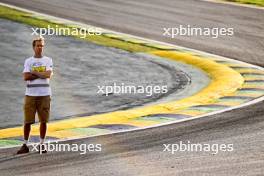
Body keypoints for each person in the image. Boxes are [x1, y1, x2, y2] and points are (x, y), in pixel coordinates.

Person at [17, 36, 53, 154]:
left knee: (44, 121)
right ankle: (25, 145)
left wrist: (34, 72)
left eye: (42, 46)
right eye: (38, 45)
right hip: (30, 95)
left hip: (45, 95)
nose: (40, 48)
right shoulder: (28, 61)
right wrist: (41, 74)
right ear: (33, 47)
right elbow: (26, 77)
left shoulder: (48, 60)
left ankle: (41, 144)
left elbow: (48, 74)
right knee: (27, 121)